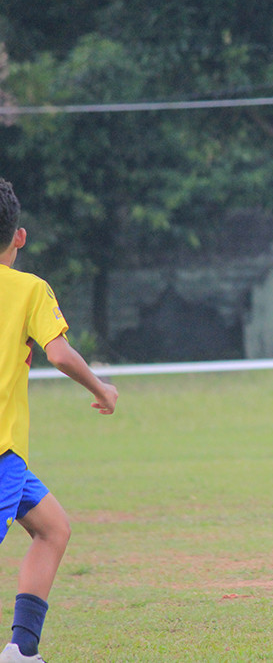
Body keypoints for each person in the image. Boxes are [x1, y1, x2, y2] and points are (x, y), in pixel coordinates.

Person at [0, 179, 119, 662]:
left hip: (12, 456)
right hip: (1, 451)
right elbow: (60, 353)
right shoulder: (29, 289)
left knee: (53, 528)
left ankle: (21, 648)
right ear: (20, 236)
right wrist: (102, 388)